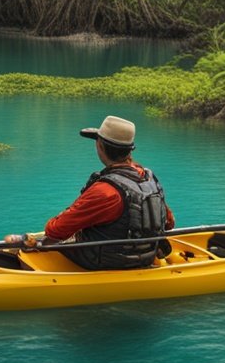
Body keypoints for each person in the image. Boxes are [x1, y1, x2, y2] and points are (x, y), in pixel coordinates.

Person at [9, 115, 174, 270]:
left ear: (100, 146)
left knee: (53, 237)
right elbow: (169, 223)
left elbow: (55, 230)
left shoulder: (105, 191)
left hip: (106, 260)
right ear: (130, 151)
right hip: (144, 255)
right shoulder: (148, 178)